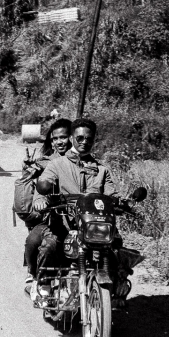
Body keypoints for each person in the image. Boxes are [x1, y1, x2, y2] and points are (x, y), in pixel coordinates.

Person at [31, 118, 121, 299]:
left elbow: (113, 196)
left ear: (94, 140)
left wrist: (123, 203)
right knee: (49, 246)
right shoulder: (57, 164)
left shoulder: (102, 170)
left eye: (89, 139)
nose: (84, 142)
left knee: (117, 247)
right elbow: (44, 183)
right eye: (80, 138)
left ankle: (118, 290)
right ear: (72, 138)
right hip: (66, 224)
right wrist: (41, 198)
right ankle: (44, 282)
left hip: (94, 227)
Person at [21, 119, 72, 293]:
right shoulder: (50, 162)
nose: (59, 142)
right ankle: (36, 275)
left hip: (82, 218)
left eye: (63, 137)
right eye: (55, 139)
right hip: (53, 218)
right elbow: (41, 168)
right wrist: (32, 169)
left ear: (71, 137)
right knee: (34, 241)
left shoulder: (84, 160)